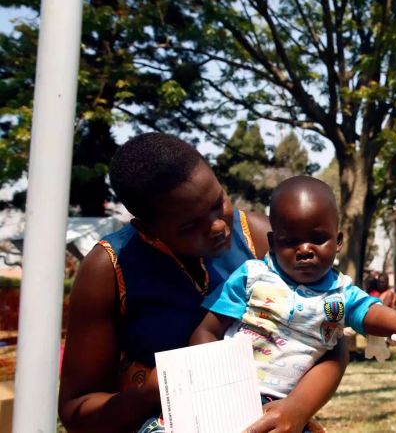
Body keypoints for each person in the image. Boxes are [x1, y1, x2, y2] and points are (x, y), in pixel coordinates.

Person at [57, 134, 347, 433]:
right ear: (148, 227)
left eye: (217, 202)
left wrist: (297, 409)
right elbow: (76, 410)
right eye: (190, 225)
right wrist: (152, 392)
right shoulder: (109, 268)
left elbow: (331, 343)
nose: (218, 225)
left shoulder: (263, 239)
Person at [190, 176, 396, 429]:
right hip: (225, 396)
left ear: (337, 242)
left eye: (317, 239)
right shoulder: (251, 276)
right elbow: (207, 331)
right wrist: (212, 388)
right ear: (272, 242)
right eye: (290, 241)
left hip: (284, 411)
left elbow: (391, 320)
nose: (304, 249)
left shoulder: (342, 294)